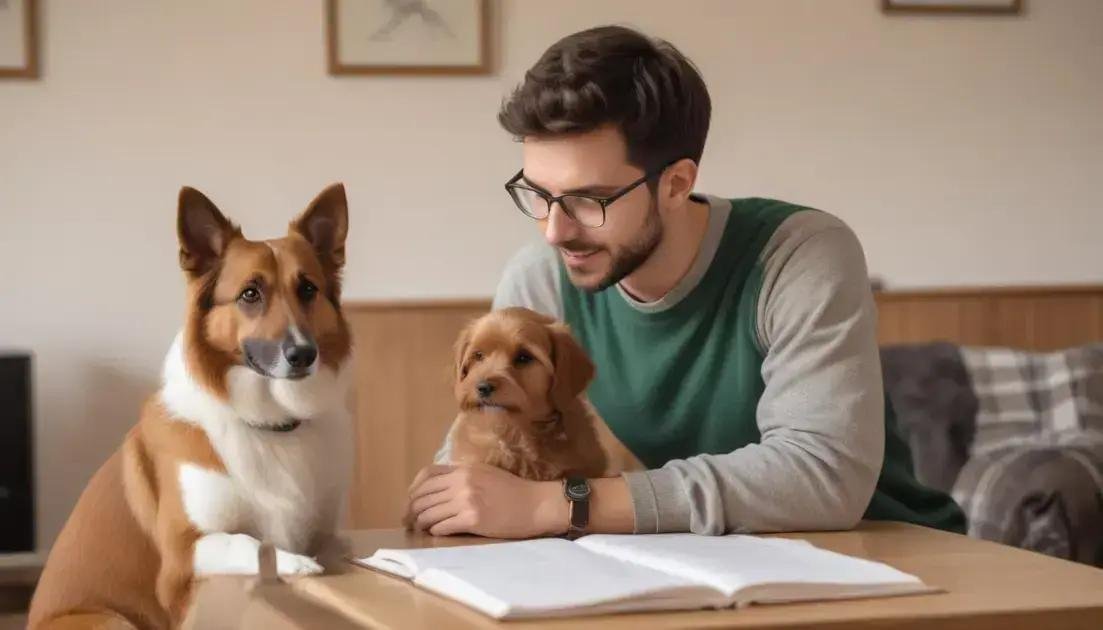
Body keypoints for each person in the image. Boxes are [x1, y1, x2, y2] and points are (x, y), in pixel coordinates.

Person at [406, 25, 964, 539]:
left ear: (676, 183)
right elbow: (480, 450)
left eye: (589, 199)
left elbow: (822, 476)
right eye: (539, 194)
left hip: (887, 555)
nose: (554, 230)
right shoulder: (543, 279)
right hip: (704, 559)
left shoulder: (800, 253)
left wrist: (562, 505)